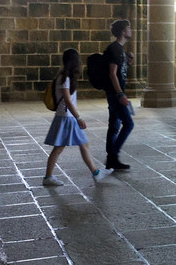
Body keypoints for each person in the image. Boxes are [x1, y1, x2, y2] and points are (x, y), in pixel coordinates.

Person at [43, 49, 110, 185]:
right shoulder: (65, 78)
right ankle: (48, 177)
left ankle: (95, 173)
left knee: (78, 145)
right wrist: (78, 118)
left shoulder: (62, 76)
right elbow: (67, 100)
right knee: (64, 147)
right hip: (67, 118)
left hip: (64, 117)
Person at [104, 19, 135, 170]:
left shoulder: (119, 49)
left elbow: (119, 71)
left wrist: (128, 62)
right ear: (123, 31)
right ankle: (113, 155)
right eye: (128, 28)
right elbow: (112, 73)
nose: (131, 30)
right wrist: (120, 94)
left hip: (115, 93)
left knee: (114, 125)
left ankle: (112, 159)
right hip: (116, 94)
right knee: (128, 124)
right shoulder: (115, 48)